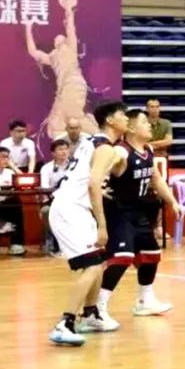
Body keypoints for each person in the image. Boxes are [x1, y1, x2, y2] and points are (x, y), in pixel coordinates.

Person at [46, 100, 128, 346]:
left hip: (74, 206)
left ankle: (91, 315)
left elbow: (104, 175)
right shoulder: (105, 148)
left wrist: (119, 159)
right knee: (92, 265)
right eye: (123, 115)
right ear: (111, 120)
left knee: (99, 260)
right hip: (70, 209)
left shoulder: (92, 142)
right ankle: (65, 323)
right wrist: (102, 225)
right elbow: (93, 184)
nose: (127, 119)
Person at [96, 108, 181, 319]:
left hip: (139, 211)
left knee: (151, 254)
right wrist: (100, 185)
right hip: (119, 211)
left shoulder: (148, 150)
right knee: (122, 257)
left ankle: (145, 301)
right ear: (132, 128)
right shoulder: (121, 151)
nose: (149, 125)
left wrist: (172, 202)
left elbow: (156, 179)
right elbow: (99, 170)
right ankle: (98, 307)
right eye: (144, 122)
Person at [25, 0, 100, 139]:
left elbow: (70, 28)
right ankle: (79, 139)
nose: (58, 37)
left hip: (74, 84)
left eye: (62, 37)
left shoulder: (71, 47)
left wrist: (68, 9)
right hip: (62, 89)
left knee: (72, 115)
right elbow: (33, 51)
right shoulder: (52, 57)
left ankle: (96, 135)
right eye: (56, 38)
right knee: (53, 127)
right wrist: (28, 29)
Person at [40, 139, 73, 256]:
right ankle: (57, 245)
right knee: (46, 211)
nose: (64, 152)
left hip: (73, 201)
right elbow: (44, 188)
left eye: (66, 149)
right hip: (53, 201)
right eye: (60, 149)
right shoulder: (46, 168)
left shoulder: (74, 166)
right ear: (53, 153)